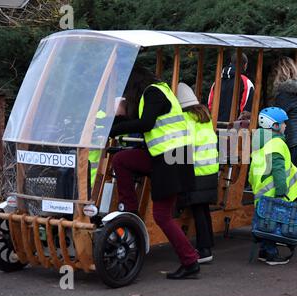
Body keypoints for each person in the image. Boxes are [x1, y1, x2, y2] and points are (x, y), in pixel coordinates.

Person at [109, 67, 200, 279]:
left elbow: (146, 123)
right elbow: (141, 121)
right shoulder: (155, 93)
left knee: (162, 215)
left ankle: (190, 261)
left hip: (171, 160)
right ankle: (130, 210)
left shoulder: (153, 93)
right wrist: (112, 123)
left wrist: (113, 130)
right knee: (121, 160)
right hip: (166, 158)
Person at [248, 107, 297, 265]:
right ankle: (271, 254)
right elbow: (278, 169)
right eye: (283, 123)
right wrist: (281, 191)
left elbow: (254, 168)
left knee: (265, 221)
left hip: (263, 189)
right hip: (284, 188)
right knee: (275, 219)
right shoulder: (276, 143)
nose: (286, 126)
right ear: (275, 126)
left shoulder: (259, 142)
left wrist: (253, 185)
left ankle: (265, 251)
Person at [176, 83, 219, 263]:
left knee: (198, 210)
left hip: (196, 171)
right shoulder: (204, 117)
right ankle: (208, 244)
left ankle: (204, 250)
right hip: (210, 169)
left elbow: (184, 147)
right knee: (202, 209)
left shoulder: (185, 119)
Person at [271, 56, 297, 178]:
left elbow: (274, 118)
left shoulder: (285, 94)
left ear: (280, 72)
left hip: (295, 146)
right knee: (296, 187)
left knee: (294, 189)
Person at [207, 52, 254, 122]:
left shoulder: (216, 82)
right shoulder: (246, 82)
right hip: (235, 129)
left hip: (215, 126)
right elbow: (246, 111)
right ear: (245, 65)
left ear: (230, 63)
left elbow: (210, 105)